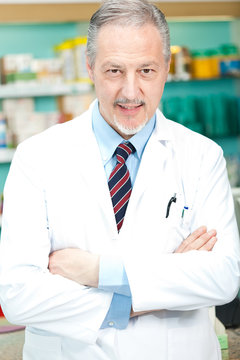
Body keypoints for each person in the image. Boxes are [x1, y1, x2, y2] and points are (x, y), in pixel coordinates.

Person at [0, 0, 239, 359]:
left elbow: (221, 278)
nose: (130, 91)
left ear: (167, 67)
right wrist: (138, 299)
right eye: (114, 71)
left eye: (146, 70)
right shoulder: (37, 157)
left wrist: (97, 271)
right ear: (90, 67)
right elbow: (19, 294)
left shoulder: (202, 157)